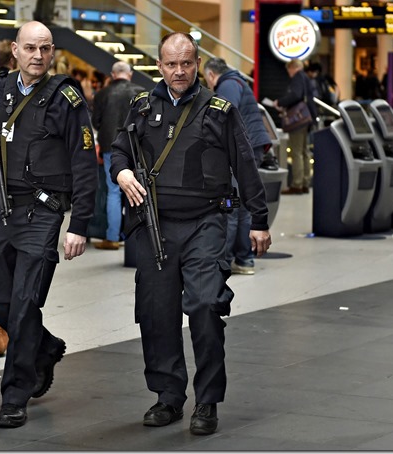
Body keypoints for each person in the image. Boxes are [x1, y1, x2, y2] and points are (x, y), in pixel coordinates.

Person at [109, 32, 271, 436]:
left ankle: (208, 401)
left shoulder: (219, 110)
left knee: (204, 305)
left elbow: (245, 164)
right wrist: (122, 171)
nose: (178, 71)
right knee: (155, 310)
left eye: (186, 63)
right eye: (170, 64)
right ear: (159, 66)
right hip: (156, 226)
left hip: (206, 223)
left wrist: (260, 219)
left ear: (197, 64)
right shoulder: (142, 107)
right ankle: (168, 396)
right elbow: (118, 150)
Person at [0, 20, 98, 429]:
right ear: (15, 51)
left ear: (52, 52)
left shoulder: (67, 98)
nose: (38, 56)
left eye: (45, 48)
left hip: (42, 213)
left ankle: (15, 394)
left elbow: (83, 161)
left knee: (23, 304)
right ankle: (46, 345)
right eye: (30, 48)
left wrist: (81, 224)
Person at [203, 57, 273, 275]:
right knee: (243, 208)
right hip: (254, 146)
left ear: (212, 74)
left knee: (231, 206)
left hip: (244, 148)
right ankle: (244, 259)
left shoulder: (228, 85)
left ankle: (225, 260)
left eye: (207, 80)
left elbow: (222, 116)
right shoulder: (239, 81)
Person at [91, 61, 144, 250]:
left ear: (113, 75)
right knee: (139, 188)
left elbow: (96, 121)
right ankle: (137, 236)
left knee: (113, 190)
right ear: (130, 74)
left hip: (110, 146)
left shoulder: (103, 94)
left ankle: (113, 237)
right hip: (137, 146)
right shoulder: (140, 91)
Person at [275, 58, 318, 194]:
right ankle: (305, 182)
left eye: (289, 70)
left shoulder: (298, 77)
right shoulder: (306, 78)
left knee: (296, 152)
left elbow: (295, 94)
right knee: (305, 151)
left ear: (293, 67)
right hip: (307, 118)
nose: (289, 73)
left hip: (298, 120)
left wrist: (280, 102)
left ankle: (297, 184)